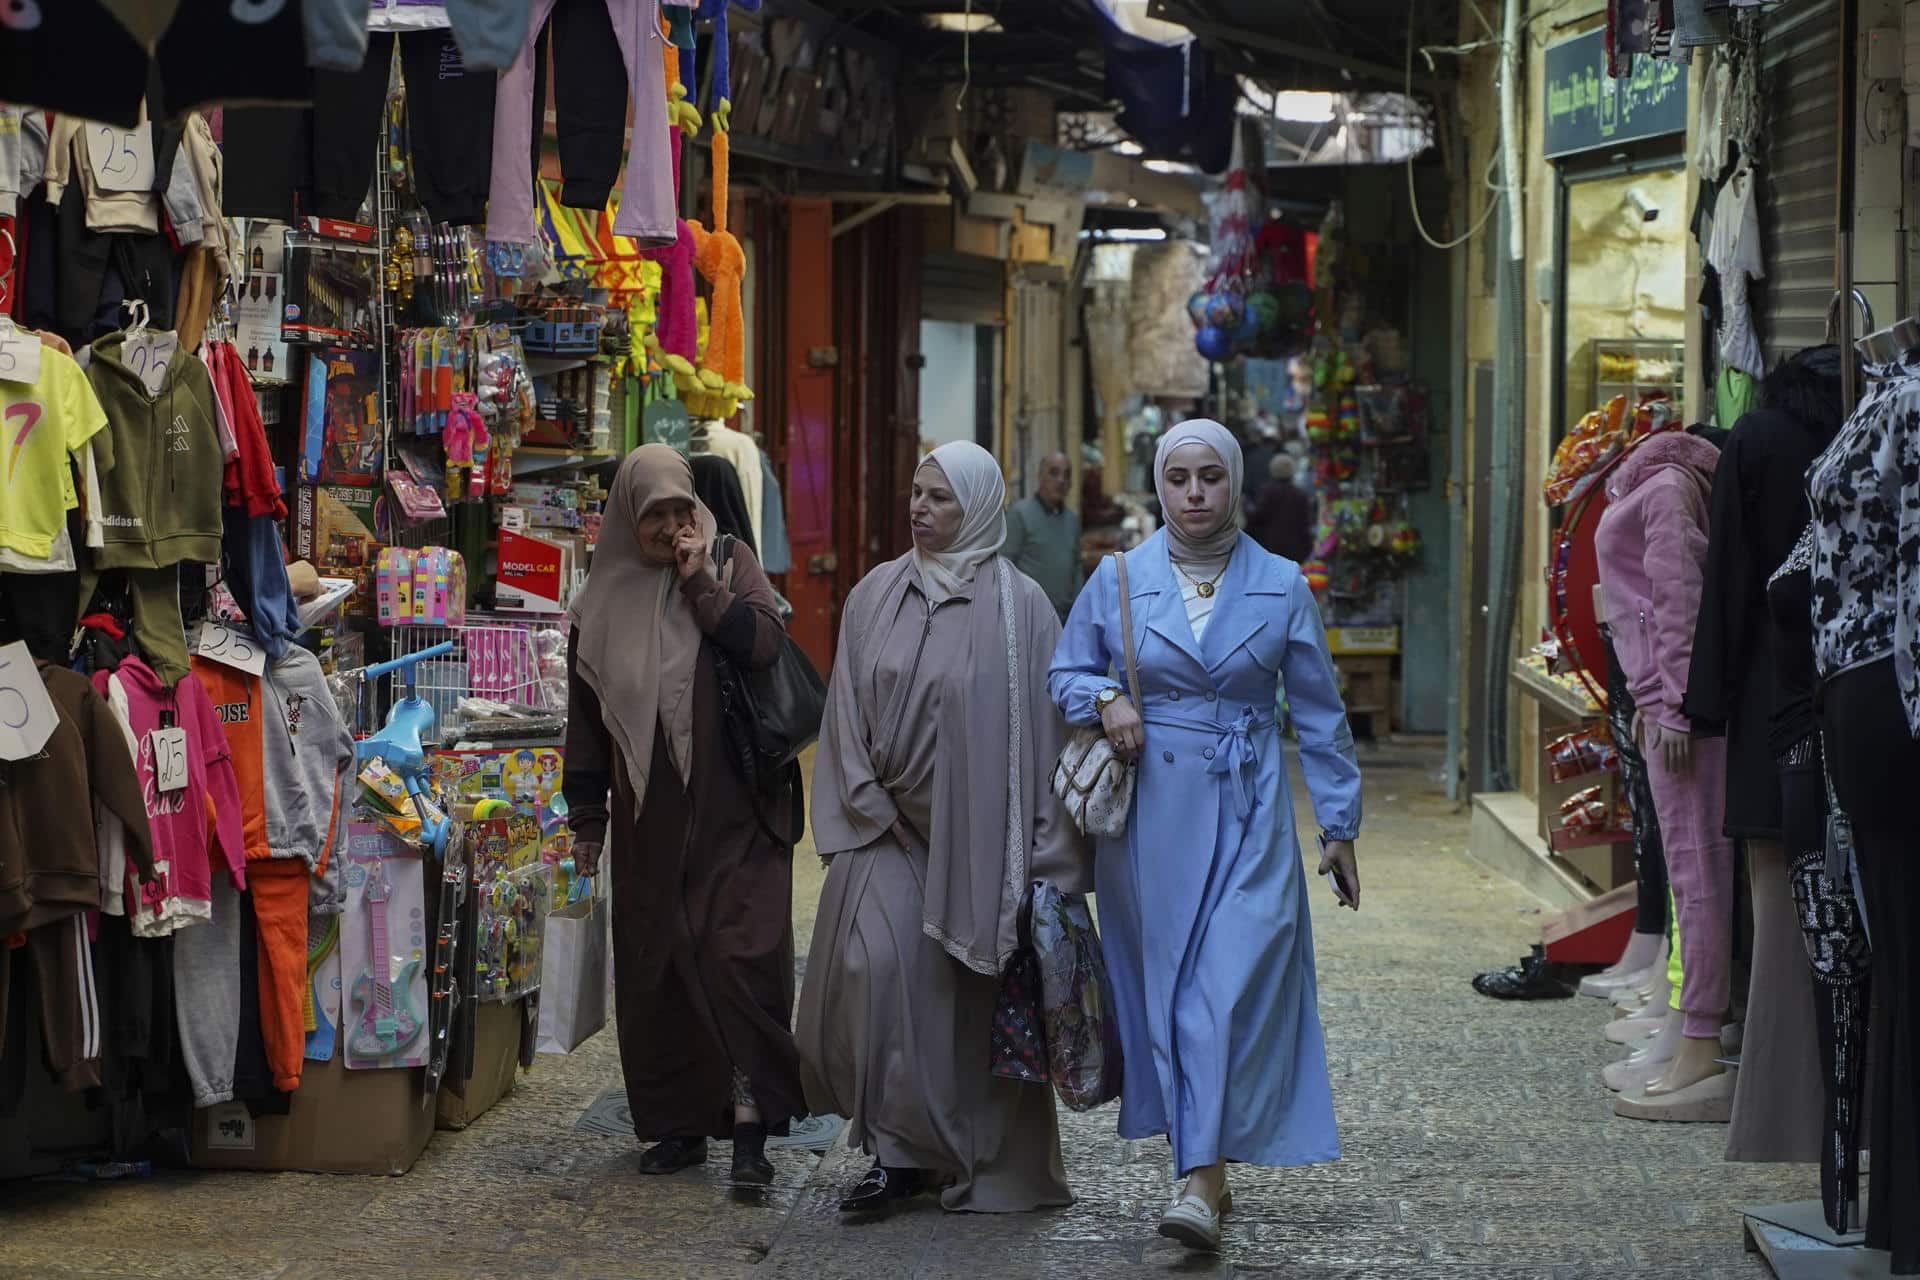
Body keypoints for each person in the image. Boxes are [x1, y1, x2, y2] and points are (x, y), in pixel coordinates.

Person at [1049, 418, 1362, 1253]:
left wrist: (1338, 825)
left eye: (1210, 478)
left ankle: (1202, 1182)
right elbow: (1064, 669)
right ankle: (1204, 1174)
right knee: (1168, 996)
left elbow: (1321, 713)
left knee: (1223, 991)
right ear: (1160, 484)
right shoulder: (1121, 576)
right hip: (1151, 820)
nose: (1194, 495)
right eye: (1179, 478)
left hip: (1252, 808)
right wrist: (1106, 699)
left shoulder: (1281, 583)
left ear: (1235, 485)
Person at [798, 440, 1088, 1217]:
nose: (920, 509)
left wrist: (1045, 861)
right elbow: (846, 712)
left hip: (981, 845)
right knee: (875, 972)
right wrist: (871, 804)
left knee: (958, 1004)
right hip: (885, 830)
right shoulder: (874, 594)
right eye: (917, 494)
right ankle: (895, 1154)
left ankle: (946, 1155)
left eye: (940, 499)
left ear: (980, 508)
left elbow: (1048, 739)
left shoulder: (1023, 609)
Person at [563, 445, 805, 1187]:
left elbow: (764, 644)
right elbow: (587, 721)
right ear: (627, 521)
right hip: (650, 819)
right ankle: (675, 1123)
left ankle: (750, 1128)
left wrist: (701, 584)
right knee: (659, 963)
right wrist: (587, 822)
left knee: (741, 957)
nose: (672, 529)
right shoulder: (599, 602)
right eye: (655, 517)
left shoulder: (730, 563)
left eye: (681, 511)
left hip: (740, 807)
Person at [1002, 451, 1083, 620]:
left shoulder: (1072, 519)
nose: (1061, 480)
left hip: (1066, 617)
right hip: (1029, 615)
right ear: (1040, 477)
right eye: (1054, 473)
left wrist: (1078, 605)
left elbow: (1076, 567)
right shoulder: (1019, 514)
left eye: (1066, 475)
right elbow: (1004, 568)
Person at [1246, 453, 1317, 562]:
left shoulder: (1266, 492)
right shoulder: (1301, 495)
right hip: (1294, 550)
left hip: (1269, 547)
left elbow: (1256, 518)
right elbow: (1305, 524)